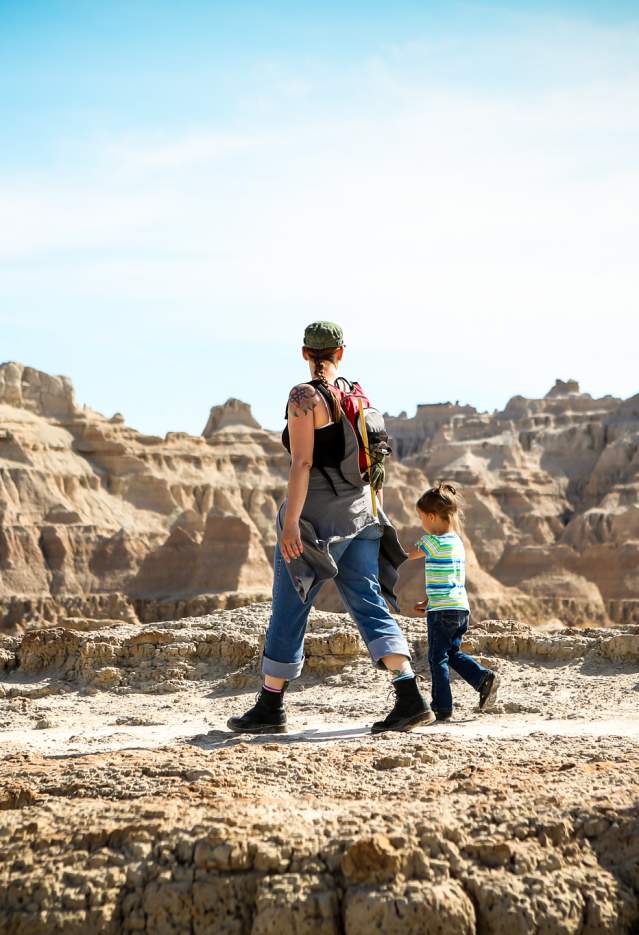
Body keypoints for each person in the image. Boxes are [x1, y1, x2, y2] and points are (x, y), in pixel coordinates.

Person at [227, 321, 435, 735]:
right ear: (340, 352)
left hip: (318, 518)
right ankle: (409, 696)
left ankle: (270, 705)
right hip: (361, 513)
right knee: (367, 599)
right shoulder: (354, 393)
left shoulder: (304, 397)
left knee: (291, 602)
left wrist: (291, 524)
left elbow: (302, 463)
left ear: (305, 353)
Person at [406, 483, 499, 721]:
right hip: (459, 608)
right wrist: (429, 600)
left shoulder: (431, 542)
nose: (421, 524)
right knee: (452, 653)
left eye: (421, 519)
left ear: (431, 516)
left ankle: (442, 708)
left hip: (442, 612)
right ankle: (483, 679)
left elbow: (407, 555)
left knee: (437, 658)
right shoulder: (457, 542)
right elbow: (448, 576)